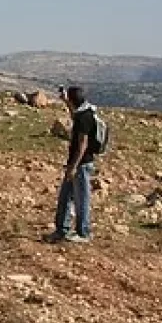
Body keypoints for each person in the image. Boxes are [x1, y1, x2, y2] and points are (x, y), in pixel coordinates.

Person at [46, 85, 100, 244]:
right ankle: (61, 230)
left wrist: (74, 167)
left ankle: (83, 233)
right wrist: (65, 101)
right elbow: (74, 114)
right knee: (65, 197)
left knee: (81, 199)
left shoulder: (85, 118)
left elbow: (82, 144)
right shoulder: (84, 112)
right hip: (75, 164)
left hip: (81, 165)